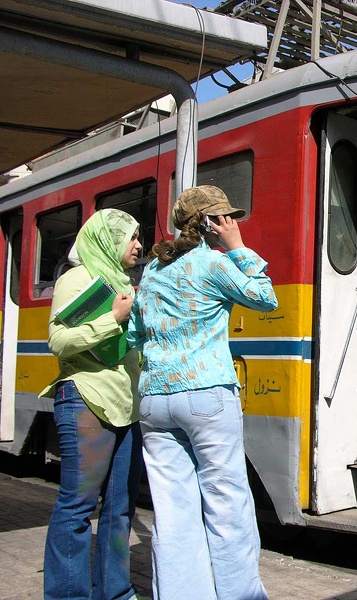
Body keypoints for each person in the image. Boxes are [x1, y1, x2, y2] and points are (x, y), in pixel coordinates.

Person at [127, 185, 277, 600]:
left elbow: (135, 335)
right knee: (227, 502)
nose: (232, 224)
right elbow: (265, 297)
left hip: (156, 399)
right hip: (206, 394)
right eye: (227, 218)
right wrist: (238, 247)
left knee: (173, 511)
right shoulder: (214, 262)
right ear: (212, 223)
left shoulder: (154, 271)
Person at [40, 209, 144, 600]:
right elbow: (58, 342)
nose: (138, 245)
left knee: (120, 511)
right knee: (77, 508)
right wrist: (112, 318)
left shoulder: (125, 283)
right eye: (131, 238)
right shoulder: (77, 278)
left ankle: (115, 593)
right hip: (85, 398)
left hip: (124, 406)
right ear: (108, 239)